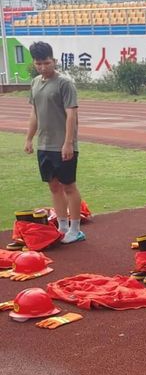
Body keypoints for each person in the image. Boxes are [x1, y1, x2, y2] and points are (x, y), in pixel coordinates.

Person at [25, 41, 85, 244]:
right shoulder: (35, 83)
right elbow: (34, 113)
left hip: (62, 144)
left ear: (54, 61)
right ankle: (62, 225)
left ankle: (76, 229)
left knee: (69, 186)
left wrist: (68, 143)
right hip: (44, 144)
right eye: (38, 63)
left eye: (46, 63)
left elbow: (71, 115)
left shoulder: (64, 83)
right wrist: (29, 138)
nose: (43, 67)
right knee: (53, 186)